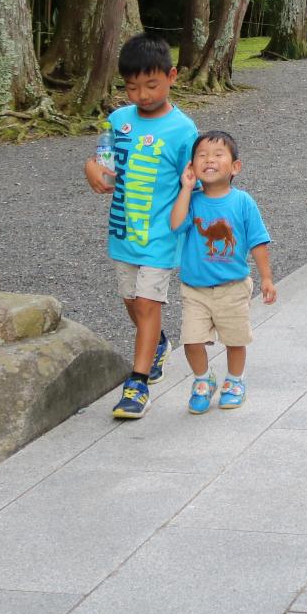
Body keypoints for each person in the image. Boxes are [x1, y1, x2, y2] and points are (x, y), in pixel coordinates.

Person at [83, 34, 199, 420]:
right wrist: (93, 171)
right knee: (132, 302)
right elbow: (101, 161)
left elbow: (194, 181)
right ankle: (159, 344)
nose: (142, 95)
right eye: (132, 87)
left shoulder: (183, 130)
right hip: (122, 233)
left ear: (171, 77)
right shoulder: (117, 121)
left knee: (148, 304)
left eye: (151, 85)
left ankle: (138, 383)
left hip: (161, 236)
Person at [168, 130, 276, 413]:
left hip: (233, 286)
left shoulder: (243, 202)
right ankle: (203, 380)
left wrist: (266, 277)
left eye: (218, 155)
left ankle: (235, 380)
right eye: (201, 156)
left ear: (235, 167)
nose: (209, 160)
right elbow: (176, 225)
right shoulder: (192, 201)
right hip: (195, 289)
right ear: (192, 166)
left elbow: (258, 240)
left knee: (235, 338)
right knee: (191, 340)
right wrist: (186, 189)